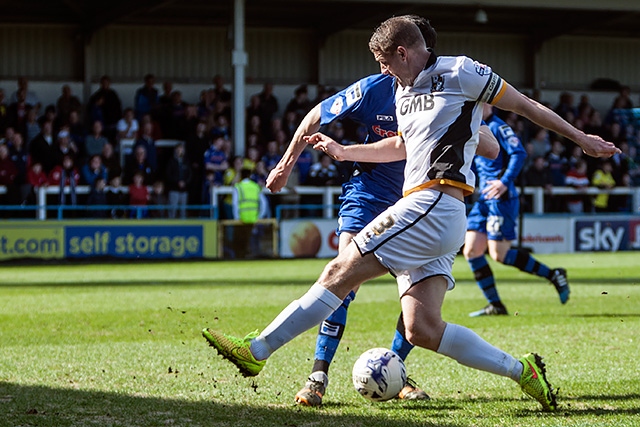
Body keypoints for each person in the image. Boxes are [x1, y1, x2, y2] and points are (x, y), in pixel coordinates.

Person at [202, 16, 618, 413]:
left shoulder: (462, 72)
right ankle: (522, 371)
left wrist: (581, 138)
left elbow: (525, 106)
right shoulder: (403, 91)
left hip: (431, 204)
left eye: (385, 62)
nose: (384, 72)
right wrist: (346, 152)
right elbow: (402, 146)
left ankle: (257, 351)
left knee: (338, 271)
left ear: (403, 52)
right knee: (423, 328)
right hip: (437, 213)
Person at [463, 104, 570, 318]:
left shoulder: (498, 126)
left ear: (488, 103)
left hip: (501, 199)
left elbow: (519, 153)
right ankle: (496, 305)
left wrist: (504, 182)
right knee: (472, 251)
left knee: (498, 254)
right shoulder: (474, 126)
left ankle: (554, 275)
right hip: (484, 198)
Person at [230, 168, 270, 259]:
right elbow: (264, 203)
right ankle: (253, 255)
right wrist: (260, 216)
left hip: (242, 219)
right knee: (253, 239)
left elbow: (235, 204)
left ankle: (241, 257)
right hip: (254, 218)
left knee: (240, 241)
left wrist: (236, 218)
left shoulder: (238, 187)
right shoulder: (255, 186)